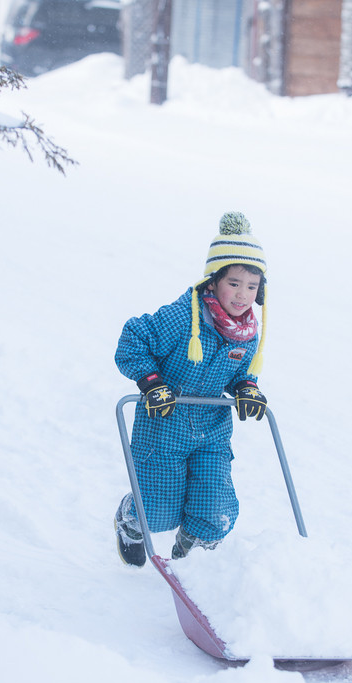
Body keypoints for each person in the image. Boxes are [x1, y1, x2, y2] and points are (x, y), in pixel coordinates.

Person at [114, 211, 270, 567]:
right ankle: (131, 520)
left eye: (252, 286)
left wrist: (246, 386)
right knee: (157, 510)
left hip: (211, 431)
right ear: (213, 280)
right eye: (234, 283)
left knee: (215, 508)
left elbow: (241, 371)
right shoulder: (182, 317)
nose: (242, 295)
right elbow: (133, 340)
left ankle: (195, 557)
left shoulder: (247, 332)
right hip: (164, 426)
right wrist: (151, 382)